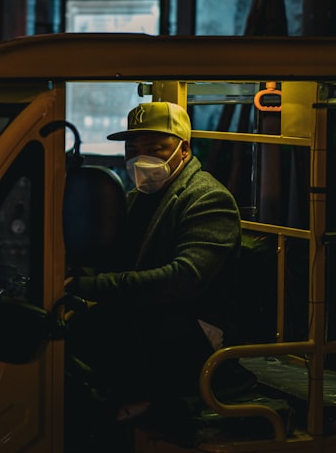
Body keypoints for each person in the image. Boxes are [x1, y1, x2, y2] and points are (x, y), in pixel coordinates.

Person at [64, 101, 251, 442]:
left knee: (98, 333)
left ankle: (147, 406)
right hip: (154, 314)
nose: (140, 159)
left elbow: (184, 279)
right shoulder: (136, 197)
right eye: (132, 149)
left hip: (197, 325)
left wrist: (91, 286)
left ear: (184, 149)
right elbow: (113, 258)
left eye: (154, 148)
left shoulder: (207, 199)